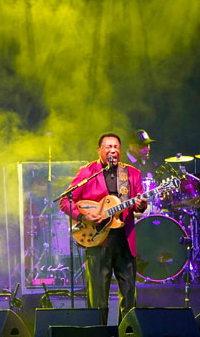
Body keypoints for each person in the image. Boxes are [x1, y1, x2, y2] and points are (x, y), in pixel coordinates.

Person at [59, 133, 148, 324]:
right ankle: (98, 331)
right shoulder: (88, 172)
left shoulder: (132, 173)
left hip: (125, 239)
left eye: (116, 146)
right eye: (108, 147)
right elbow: (65, 201)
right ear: (99, 150)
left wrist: (140, 204)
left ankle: (127, 333)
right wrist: (84, 216)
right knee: (98, 299)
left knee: (129, 298)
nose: (113, 150)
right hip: (98, 239)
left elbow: (138, 204)